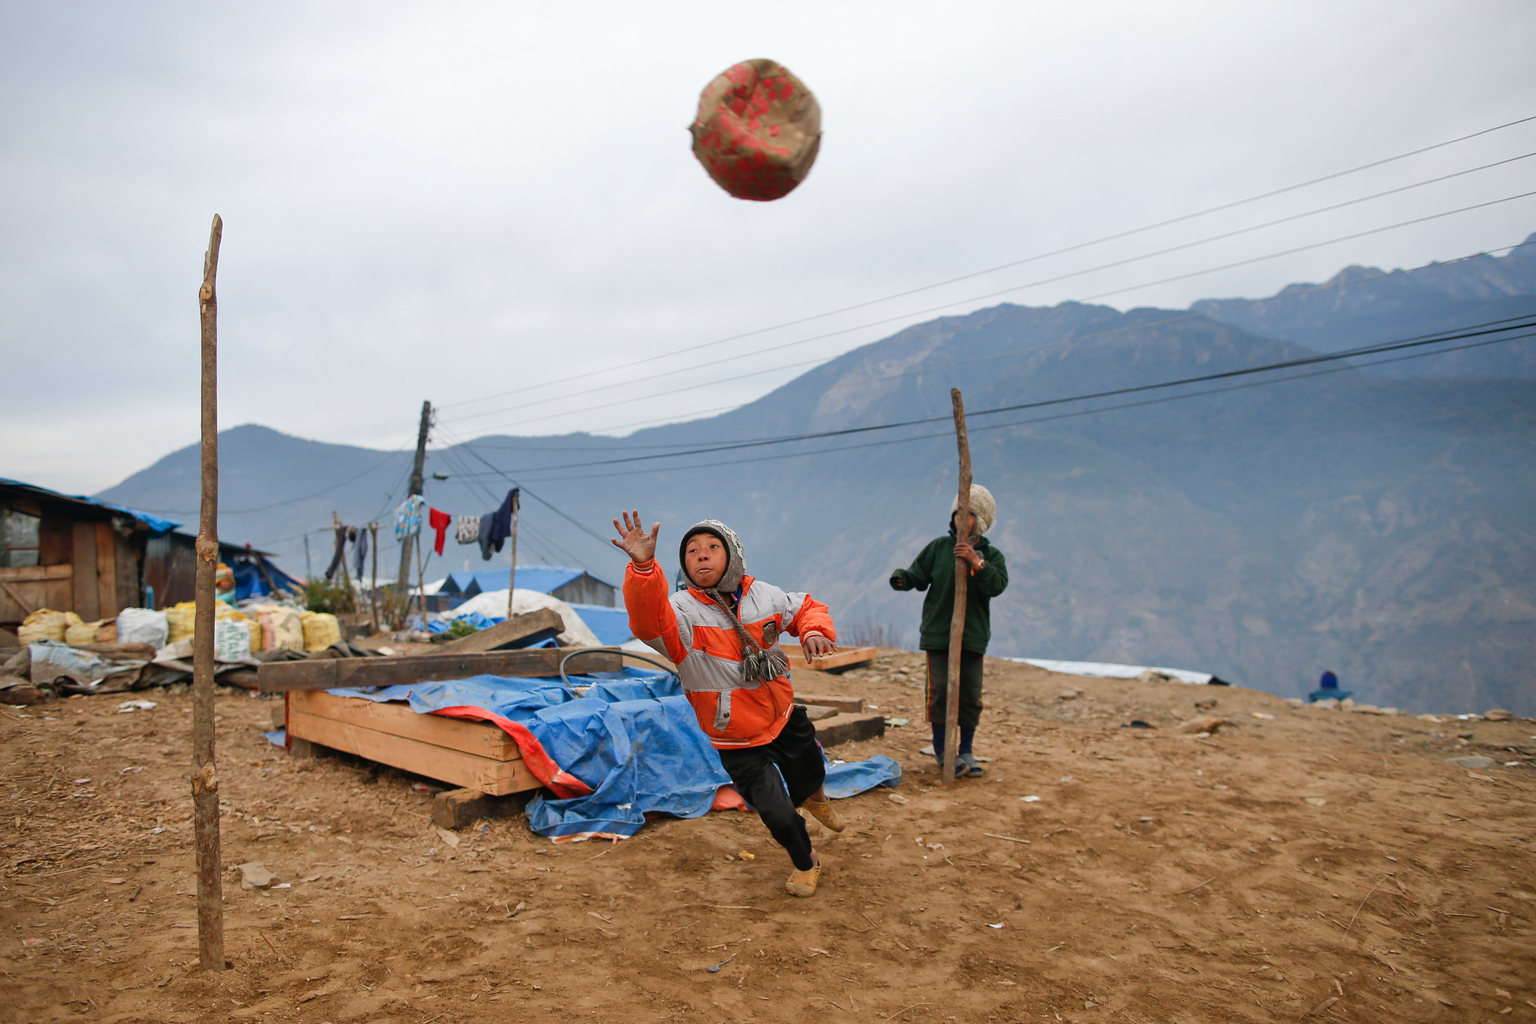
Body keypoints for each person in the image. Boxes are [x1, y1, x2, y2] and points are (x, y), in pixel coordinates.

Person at [614, 510, 845, 897]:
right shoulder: (681, 614)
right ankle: (807, 861)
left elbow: (805, 606)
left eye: (712, 547)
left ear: (732, 555)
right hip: (737, 738)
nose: (702, 555)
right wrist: (642, 568)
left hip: (783, 716)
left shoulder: (763, 596)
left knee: (809, 769)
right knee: (777, 814)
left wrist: (813, 630)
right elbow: (648, 623)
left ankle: (815, 797)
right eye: (692, 551)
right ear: (684, 564)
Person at [890, 484, 1008, 778]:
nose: (959, 519)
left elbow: (997, 586)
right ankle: (944, 752)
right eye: (957, 513)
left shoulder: (991, 556)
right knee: (941, 691)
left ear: (979, 521)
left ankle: (965, 749)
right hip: (939, 635)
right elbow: (917, 575)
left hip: (972, 637)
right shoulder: (938, 549)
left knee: (969, 695)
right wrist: (902, 578)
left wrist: (975, 562)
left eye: (967, 514)